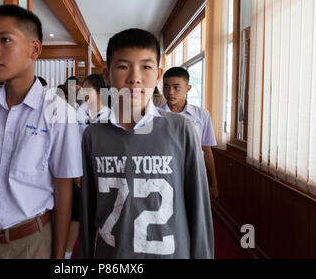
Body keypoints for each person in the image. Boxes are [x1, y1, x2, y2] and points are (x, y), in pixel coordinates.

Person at [0, 5, 82, 259]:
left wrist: (59, 257)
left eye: (5, 40)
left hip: (29, 244)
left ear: (34, 49)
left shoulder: (59, 112)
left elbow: (64, 190)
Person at [78, 28, 214, 259]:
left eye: (146, 67)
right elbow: (87, 210)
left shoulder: (181, 129)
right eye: (123, 67)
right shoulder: (93, 136)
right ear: (107, 75)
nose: (134, 77)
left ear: (158, 74)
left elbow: (199, 210)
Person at [64, 74, 110, 259]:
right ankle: (67, 254)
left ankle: (95, 250)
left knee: (100, 215)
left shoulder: (109, 114)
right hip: (80, 170)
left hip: (101, 170)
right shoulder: (77, 113)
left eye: (87, 89)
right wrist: (75, 172)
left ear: (99, 92)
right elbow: (72, 142)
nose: (83, 93)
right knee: (75, 215)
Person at [161, 67, 219, 202]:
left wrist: (214, 183)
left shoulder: (201, 115)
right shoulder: (155, 116)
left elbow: (206, 149)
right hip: (165, 175)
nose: (170, 92)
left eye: (176, 87)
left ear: (188, 88)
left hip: (195, 173)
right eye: (166, 87)